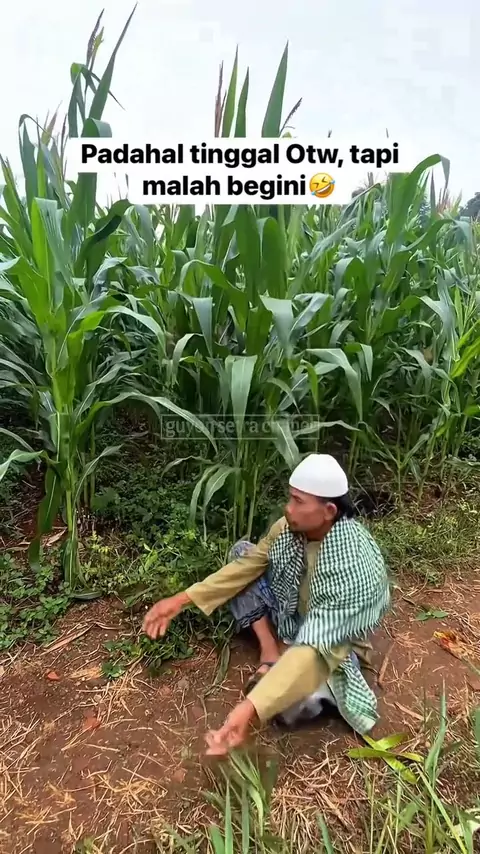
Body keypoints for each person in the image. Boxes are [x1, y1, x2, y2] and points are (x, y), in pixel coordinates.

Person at [143, 454, 391, 756]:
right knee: (241, 552)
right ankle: (271, 651)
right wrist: (182, 600)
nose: (288, 508)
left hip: (331, 642)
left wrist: (250, 707)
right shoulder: (288, 529)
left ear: (328, 511)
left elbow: (316, 647)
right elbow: (246, 567)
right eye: (290, 497)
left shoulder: (352, 565)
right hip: (293, 611)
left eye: (298, 502)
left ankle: (304, 684)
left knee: (286, 705)